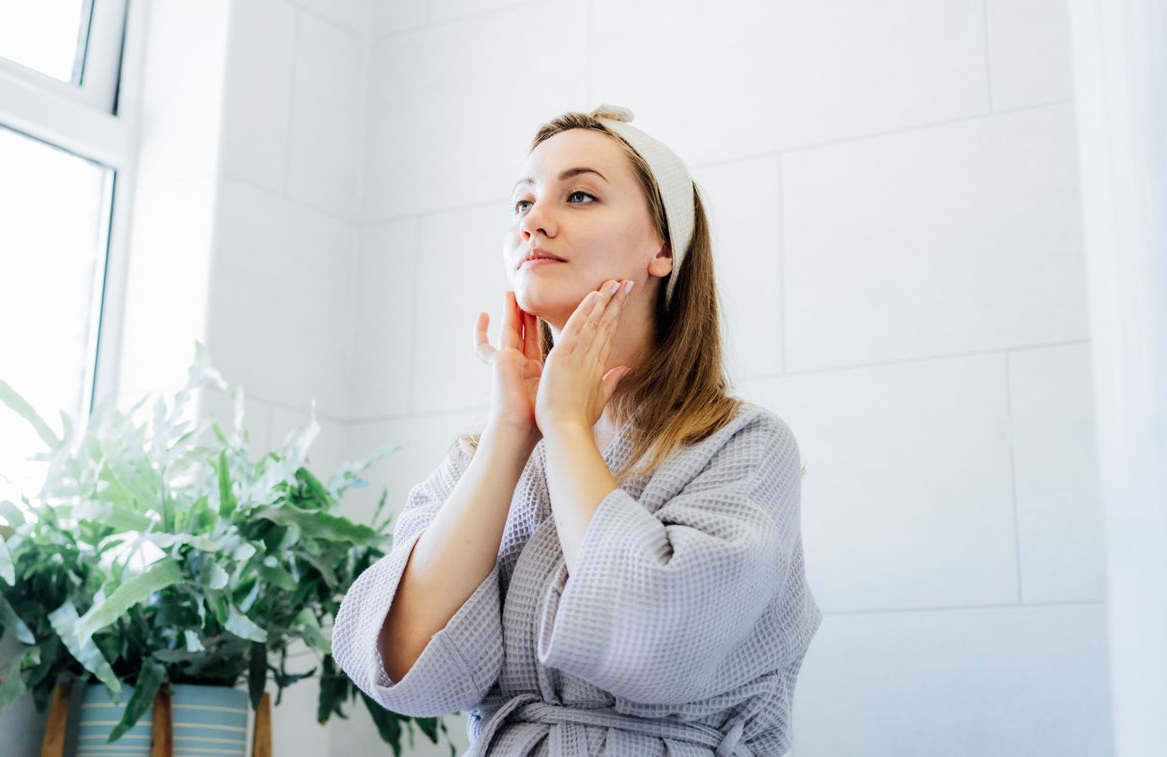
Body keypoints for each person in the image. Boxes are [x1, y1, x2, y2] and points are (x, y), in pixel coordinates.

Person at [330, 104, 822, 757]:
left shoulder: (743, 445)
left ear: (662, 247)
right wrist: (512, 429)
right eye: (520, 203)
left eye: (580, 194)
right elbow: (403, 663)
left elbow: (654, 637)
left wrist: (564, 425)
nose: (533, 219)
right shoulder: (473, 463)